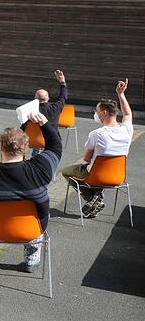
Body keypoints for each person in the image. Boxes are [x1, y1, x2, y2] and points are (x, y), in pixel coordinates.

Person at [0, 112, 60, 273]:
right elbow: (55, 147)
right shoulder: (41, 169)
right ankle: (31, 261)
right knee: (38, 215)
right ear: (26, 147)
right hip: (31, 229)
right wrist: (44, 123)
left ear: (1, 146)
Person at [60, 79, 133, 218]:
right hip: (117, 177)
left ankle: (93, 198)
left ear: (104, 113)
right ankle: (96, 197)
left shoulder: (97, 134)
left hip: (94, 175)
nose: (95, 113)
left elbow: (86, 158)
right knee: (95, 171)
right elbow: (128, 114)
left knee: (65, 172)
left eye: (97, 110)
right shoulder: (127, 130)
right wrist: (121, 94)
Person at [23, 70, 68, 156]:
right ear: (48, 98)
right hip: (50, 140)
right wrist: (62, 82)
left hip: (32, 140)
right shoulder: (55, 108)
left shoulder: (29, 111)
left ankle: (35, 156)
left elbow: (23, 127)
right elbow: (63, 97)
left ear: (35, 99)